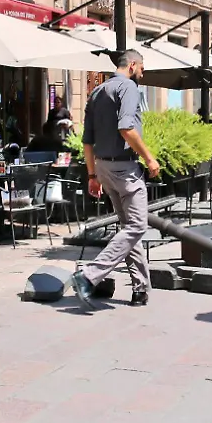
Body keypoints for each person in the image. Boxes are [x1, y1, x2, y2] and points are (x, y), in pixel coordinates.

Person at [72, 50, 159, 308]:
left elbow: (87, 141)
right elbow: (126, 128)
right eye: (142, 67)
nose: (143, 73)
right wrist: (150, 157)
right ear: (132, 65)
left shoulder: (97, 92)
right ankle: (89, 276)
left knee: (128, 229)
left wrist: (91, 175)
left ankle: (140, 289)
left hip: (103, 169)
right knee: (137, 226)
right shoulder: (128, 88)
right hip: (125, 169)